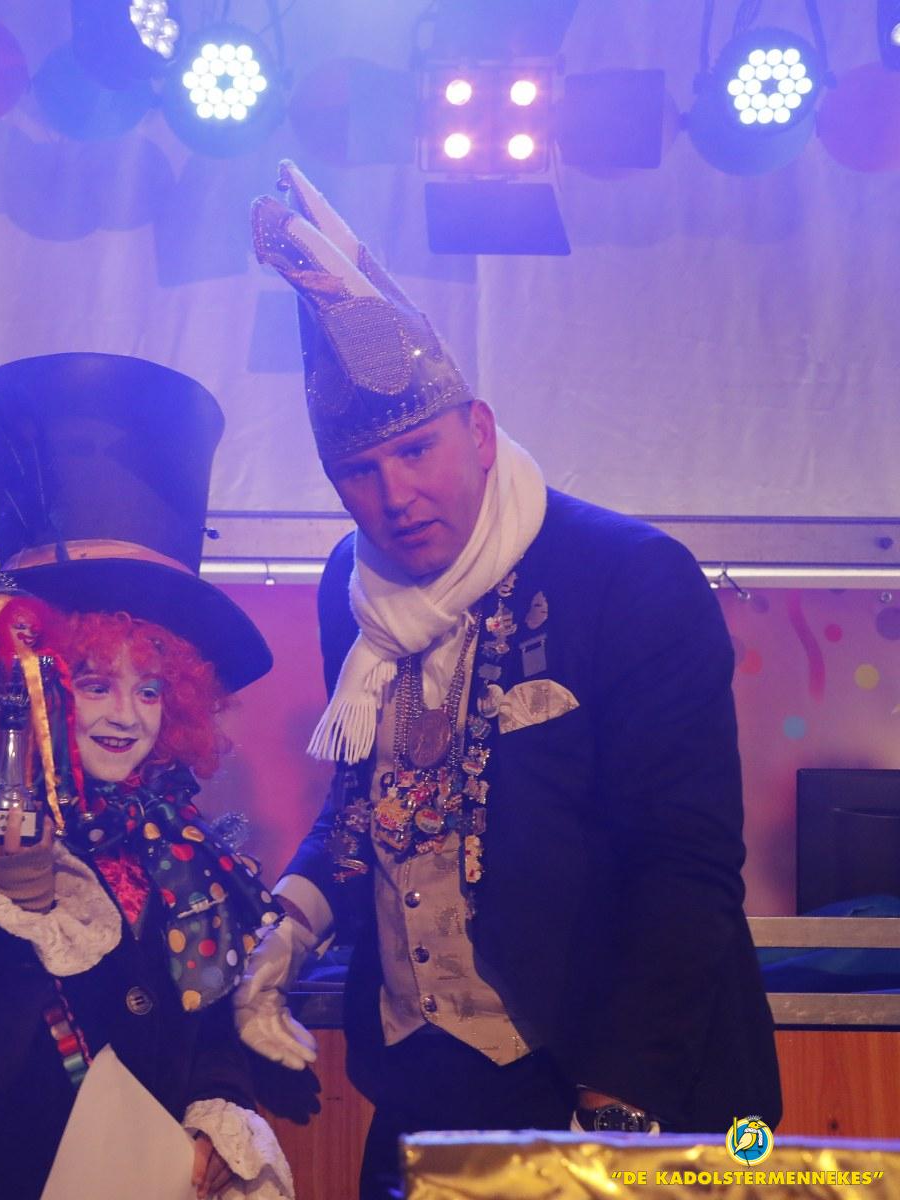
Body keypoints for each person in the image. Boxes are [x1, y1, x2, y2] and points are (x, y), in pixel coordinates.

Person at [234, 162, 782, 1198]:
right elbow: (373, 803)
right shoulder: (349, 589)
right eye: (359, 472)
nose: (394, 496)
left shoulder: (628, 574)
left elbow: (687, 865)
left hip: (614, 1089)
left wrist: (612, 1114)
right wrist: (289, 923)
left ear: (479, 433)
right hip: (427, 1090)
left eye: (417, 450)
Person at [0, 354, 295, 1200]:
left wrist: (215, 1118)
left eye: (150, 689)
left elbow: (209, 1029)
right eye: (96, 683)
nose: (125, 715)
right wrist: (26, 902)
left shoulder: (181, 846)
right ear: (38, 685)